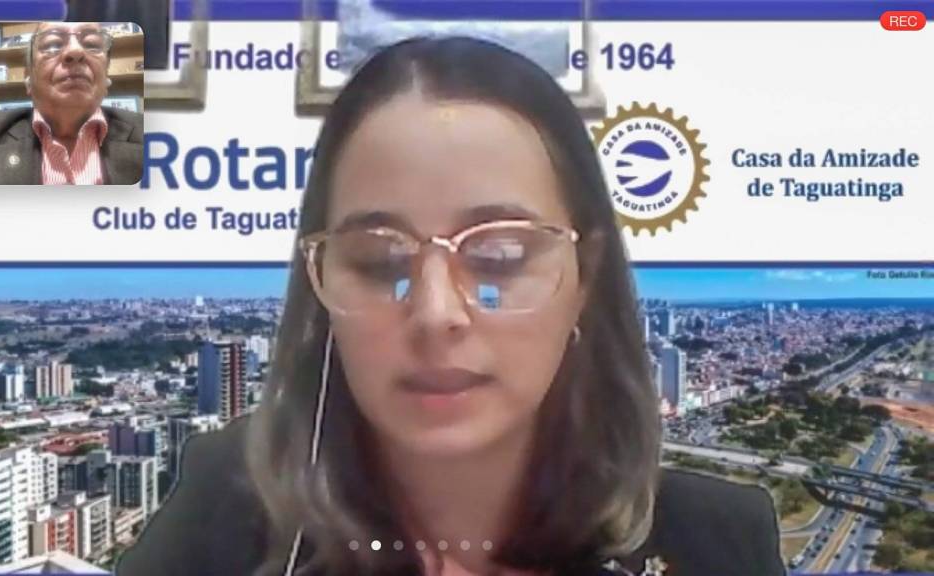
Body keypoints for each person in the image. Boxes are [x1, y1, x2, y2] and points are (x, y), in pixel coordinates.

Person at [116, 37, 785, 576]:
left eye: (500, 256)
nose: (437, 313)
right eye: (379, 261)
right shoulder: (228, 509)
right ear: (318, 283)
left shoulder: (716, 542)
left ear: (584, 276)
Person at [0, 22, 143, 185]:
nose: (76, 51)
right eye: (52, 44)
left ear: (106, 78)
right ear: (29, 81)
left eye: (91, 44)